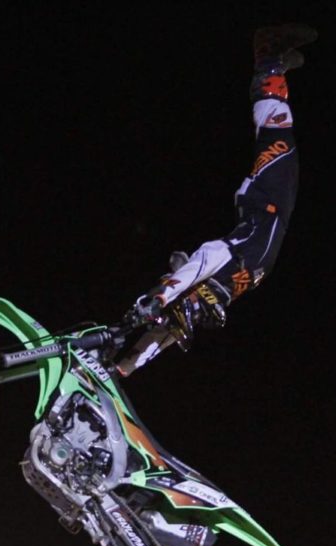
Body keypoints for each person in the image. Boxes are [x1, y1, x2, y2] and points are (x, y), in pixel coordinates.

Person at [117, 24, 317, 376]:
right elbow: (163, 338)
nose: (196, 310)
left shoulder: (219, 260)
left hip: (264, 203)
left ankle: (268, 56)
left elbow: (202, 260)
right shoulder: (219, 293)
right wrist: (122, 370)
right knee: (281, 135)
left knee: (278, 133)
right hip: (276, 210)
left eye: (193, 304)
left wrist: (159, 297)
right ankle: (274, 67)